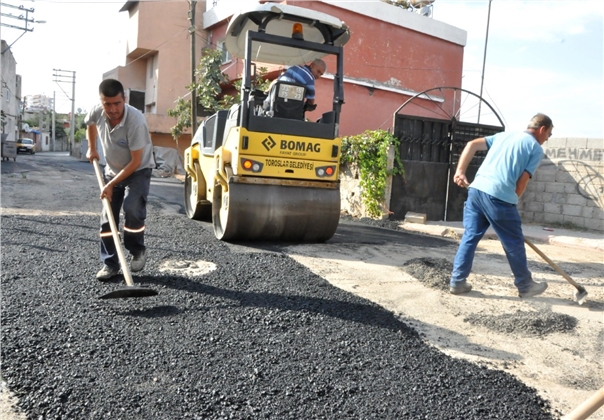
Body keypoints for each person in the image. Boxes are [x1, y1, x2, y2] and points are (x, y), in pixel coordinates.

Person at [449, 113, 554, 298]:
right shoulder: (535, 148)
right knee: (513, 243)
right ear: (542, 129)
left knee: (470, 237)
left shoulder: (504, 135)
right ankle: (525, 285)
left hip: (476, 191)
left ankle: (457, 282)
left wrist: (460, 171)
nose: (547, 139)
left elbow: (471, 145)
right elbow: (521, 183)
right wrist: (511, 202)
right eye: (549, 134)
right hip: (499, 197)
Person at [85, 79, 156, 280]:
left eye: (117, 103)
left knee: (132, 207)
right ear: (101, 102)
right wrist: (92, 148)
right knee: (108, 218)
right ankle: (110, 264)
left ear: (124, 99)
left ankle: (137, 250)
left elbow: (135, 161)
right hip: (112, 170)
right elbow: (90, 124)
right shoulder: (97, 111)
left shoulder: (136, 121)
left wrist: (111, 184)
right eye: (107, 104)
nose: (113, 109)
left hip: (138, 170)